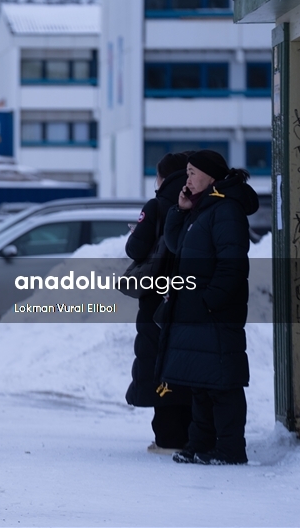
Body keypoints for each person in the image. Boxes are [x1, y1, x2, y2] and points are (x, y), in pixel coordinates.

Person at [157, 149, 258, 465]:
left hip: (214, 312)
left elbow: (232, 265)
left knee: (223, 386)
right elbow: (176, 246)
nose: (187, 179)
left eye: (191, 173)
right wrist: (180, 209)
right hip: (195, 309)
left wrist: (209, 301)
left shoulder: (226, 210)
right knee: (200, 382)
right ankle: (200, 443)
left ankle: (229, 449)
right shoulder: (202, 208)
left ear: (211, 176)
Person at [124, 152, 193, 453]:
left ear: (163, 177)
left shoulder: (158, 204)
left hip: (157, 296)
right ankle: (191, 433)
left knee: (158, 364)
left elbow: (135, 248)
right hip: (188, 294)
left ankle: (167, 438)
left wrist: (140, 232)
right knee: (185, 364)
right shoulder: (198, 201)